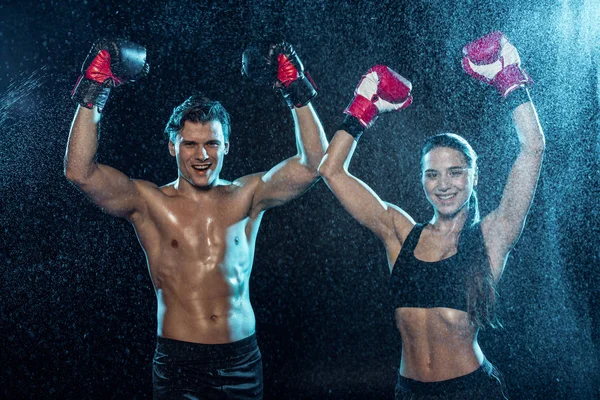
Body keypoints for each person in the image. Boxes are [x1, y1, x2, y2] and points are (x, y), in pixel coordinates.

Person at [64, 38, 327, 399]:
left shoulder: (246, 195)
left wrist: (294, 88)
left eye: (212, 144)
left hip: (241, 361)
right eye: (190, 144)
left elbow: (314, 165)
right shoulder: (149, 202)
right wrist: (95, 87)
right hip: (179, 366)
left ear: (226, 146)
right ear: (173, 146)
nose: (201, 155)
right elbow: (80, 172)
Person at [318, 32, 544, 399]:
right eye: (432, 174)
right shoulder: (399, 232)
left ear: (473, 177)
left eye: (456, 172)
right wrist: (364, 106)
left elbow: (533, 148)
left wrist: (509, 76)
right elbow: (331, 171)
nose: (444, 185)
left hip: (471, 392)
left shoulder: (493, 235)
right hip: (407, 392)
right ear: (422, 179)